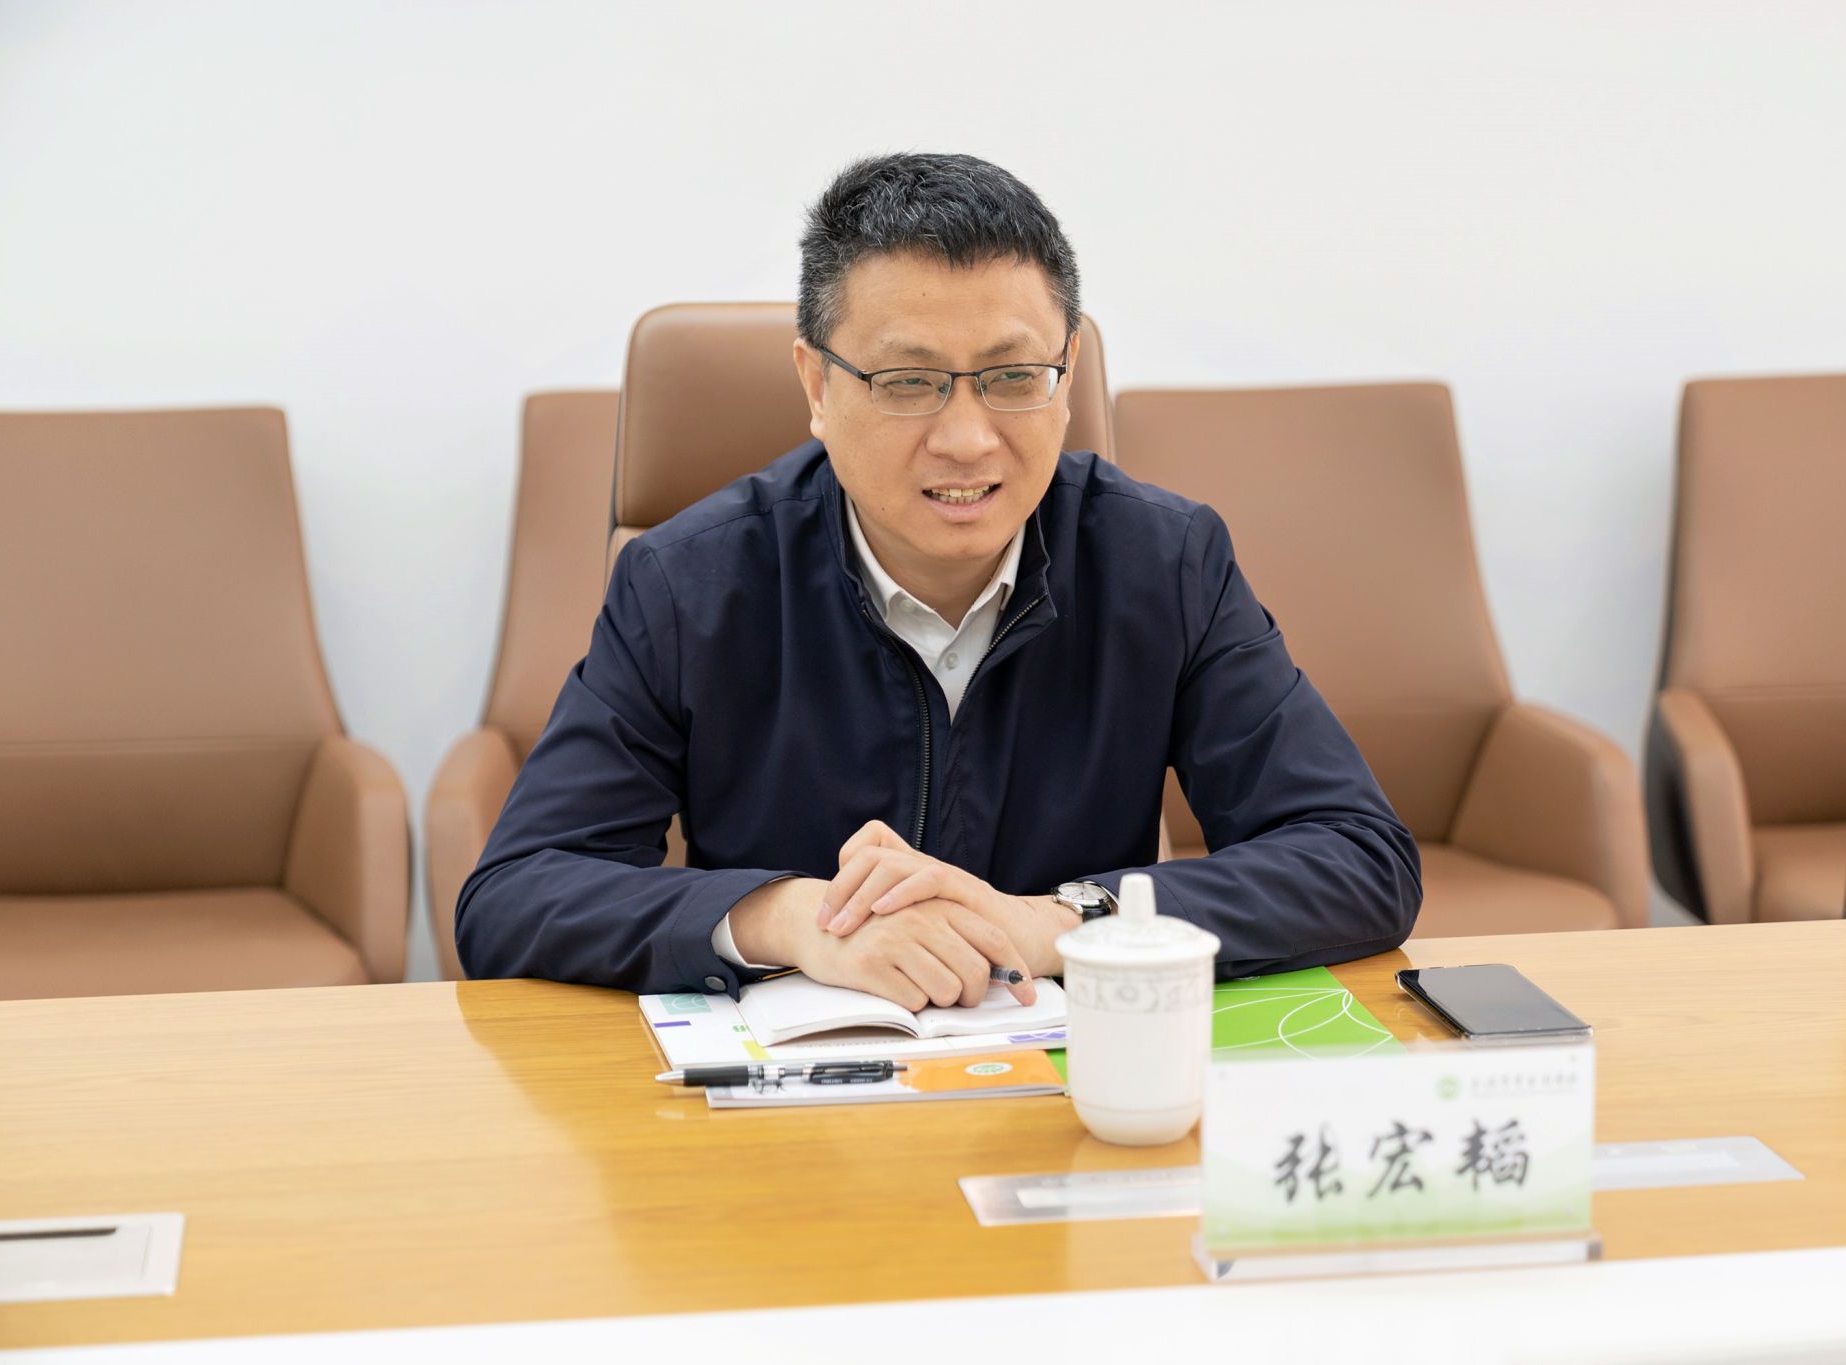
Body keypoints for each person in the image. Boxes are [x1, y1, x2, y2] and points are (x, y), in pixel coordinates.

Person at [456, 152, 1421, 1008]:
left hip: (1068, 1092)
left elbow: (1358, 855)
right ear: (817, 386)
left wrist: (1054, 924)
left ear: (1066, 374)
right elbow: (515, 893)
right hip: (795, 1103)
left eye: (1013, 376)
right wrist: (791, 919)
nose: (967, 439)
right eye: (908, 382)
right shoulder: (688, 584)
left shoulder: (1165, 563)